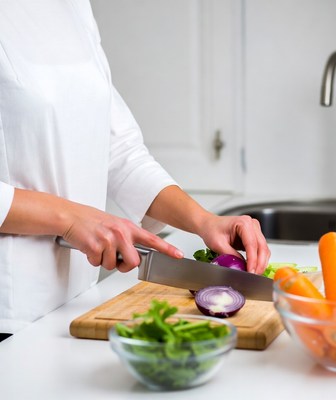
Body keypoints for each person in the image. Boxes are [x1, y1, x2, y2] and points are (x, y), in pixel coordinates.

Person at [0, 0, 270, 339]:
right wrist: (68, 218)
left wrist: (205, 222)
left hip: (75, 307)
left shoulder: (72, 7)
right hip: (9, 315)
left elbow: (120, 151)